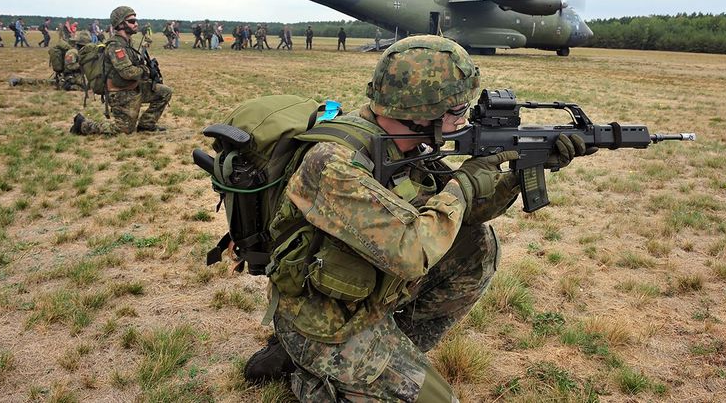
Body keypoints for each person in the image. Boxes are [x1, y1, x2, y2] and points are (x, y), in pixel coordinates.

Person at [240, 35, 590, 400]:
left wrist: (519, 174)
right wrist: (464, 184)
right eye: (459, 110)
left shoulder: (407, 144)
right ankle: (312, 372)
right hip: (322, 317)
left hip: (366, 290)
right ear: (424, 112)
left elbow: (462, 214)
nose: (465, 118)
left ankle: (382, 354)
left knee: (476, 245)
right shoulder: (332, 164)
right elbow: (411, 252)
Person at [71, 6, 172, 135]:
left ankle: (147, 124)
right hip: (121, 94)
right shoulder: (115, 46)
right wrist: (144, 70)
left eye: (135, 20)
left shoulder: (128, 43)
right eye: (132, 21)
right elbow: (128, 72)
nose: (136, 24)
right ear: (121, 24)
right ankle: (83, 125)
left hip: (134, 88)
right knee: (123, 130)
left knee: (164, 92)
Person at [9, 30, 91, 90]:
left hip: (75, 76)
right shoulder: (72, 52)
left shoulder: (78, 52)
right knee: (45, 82)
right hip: (69, 77)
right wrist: (82, 64)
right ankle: (18, 80)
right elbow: (69, 67)